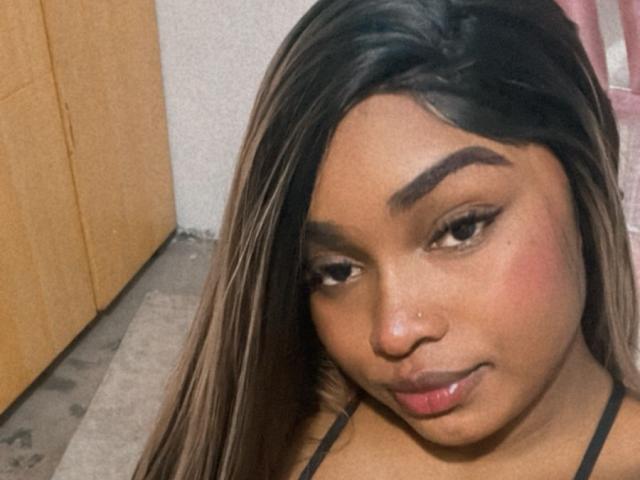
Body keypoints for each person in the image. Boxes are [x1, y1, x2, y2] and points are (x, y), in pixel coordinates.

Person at [132, 1, 640, 478]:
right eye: (336, 270)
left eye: (460, 229)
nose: (393, 333)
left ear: (582, 182)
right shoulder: (264, 431)